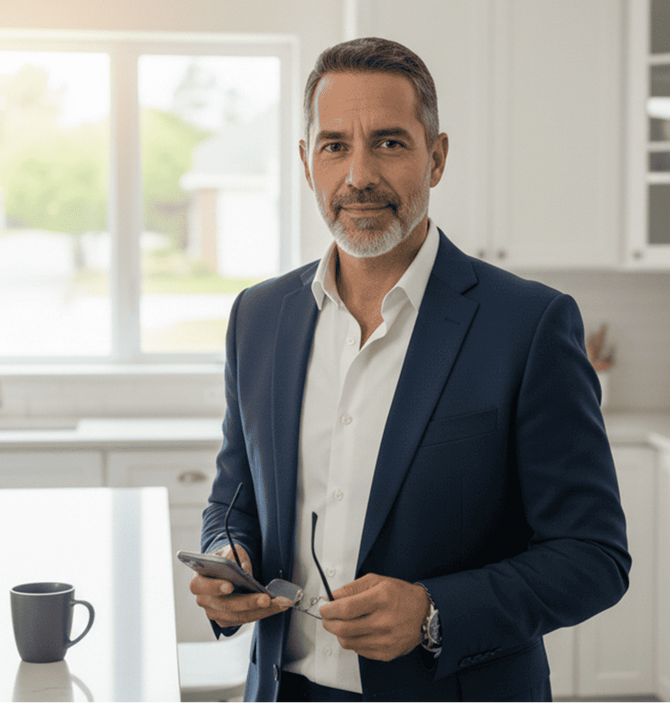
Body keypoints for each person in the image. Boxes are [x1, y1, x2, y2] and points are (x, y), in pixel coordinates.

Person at [189, 37, 630, 703]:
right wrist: (228, 560)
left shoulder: (529, 325)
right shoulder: (257, 317)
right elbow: (233, 499)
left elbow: (594, 556)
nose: (359, 175)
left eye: (390, 143)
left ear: (437, 157)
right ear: (307, 163)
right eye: (335, 145)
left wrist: (433, 611)